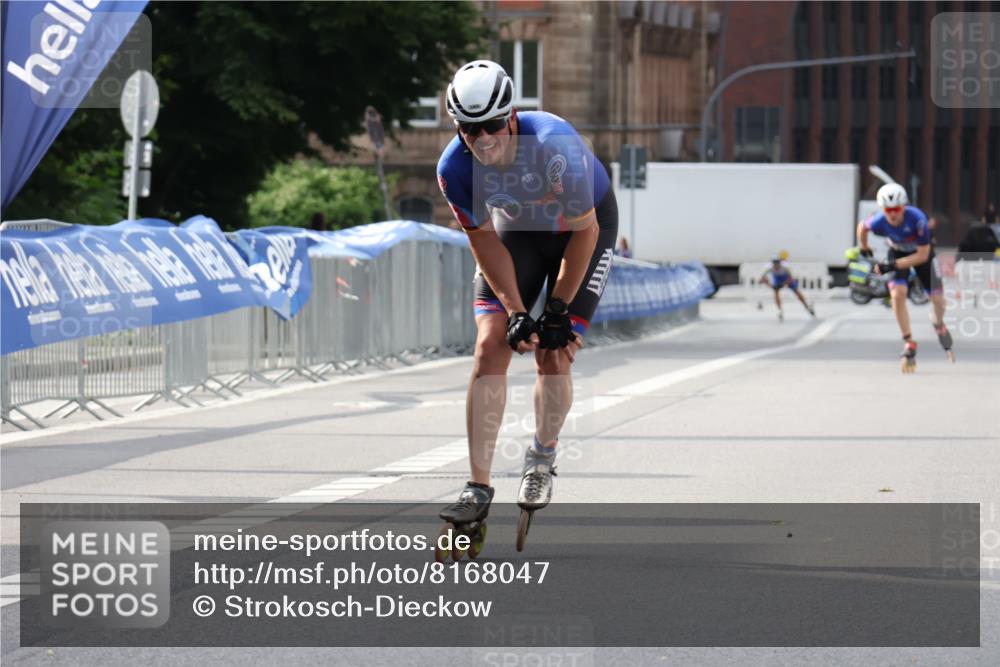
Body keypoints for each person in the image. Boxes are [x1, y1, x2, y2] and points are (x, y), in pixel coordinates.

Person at [434, 60, 617, 547]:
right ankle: (477, 485)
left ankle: (541, 457)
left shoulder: (553, 144)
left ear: (512, 116)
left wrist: (555, 310)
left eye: (493, 125)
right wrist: (516, 311)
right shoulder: (454, 167)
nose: (484, 138)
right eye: (470, 129)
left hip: (581, 232)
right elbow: (484, 242)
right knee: (490, 344)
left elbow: (586, 231)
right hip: (518, 234)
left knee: (554, 351)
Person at [856, 183, 953, 372]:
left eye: (897, 209)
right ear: (882, 209)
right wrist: (864, 247)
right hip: (898, 252)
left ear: (904, 207)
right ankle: (909, 342)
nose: (893, 214)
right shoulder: (878, 221)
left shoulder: (917, 220)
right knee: (897, 295)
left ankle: (938, 323)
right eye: (888, 210)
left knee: (939, 301)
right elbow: (862, 227)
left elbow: (922, 257)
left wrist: (891, 266)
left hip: (922, 254)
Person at [757, 255, 815, 321]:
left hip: (787, 278)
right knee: (776, 291)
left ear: (780, 262)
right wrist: (769, 284)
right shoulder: (768, 268)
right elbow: (761, 280)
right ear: (772, 263)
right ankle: (779, 310)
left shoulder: (785, 267)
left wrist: (784, 284)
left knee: (796, 291)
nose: (776, 265)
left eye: (777, 263)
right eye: (775, 263)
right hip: (777, 278)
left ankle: (807, 306)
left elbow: (791, 278)